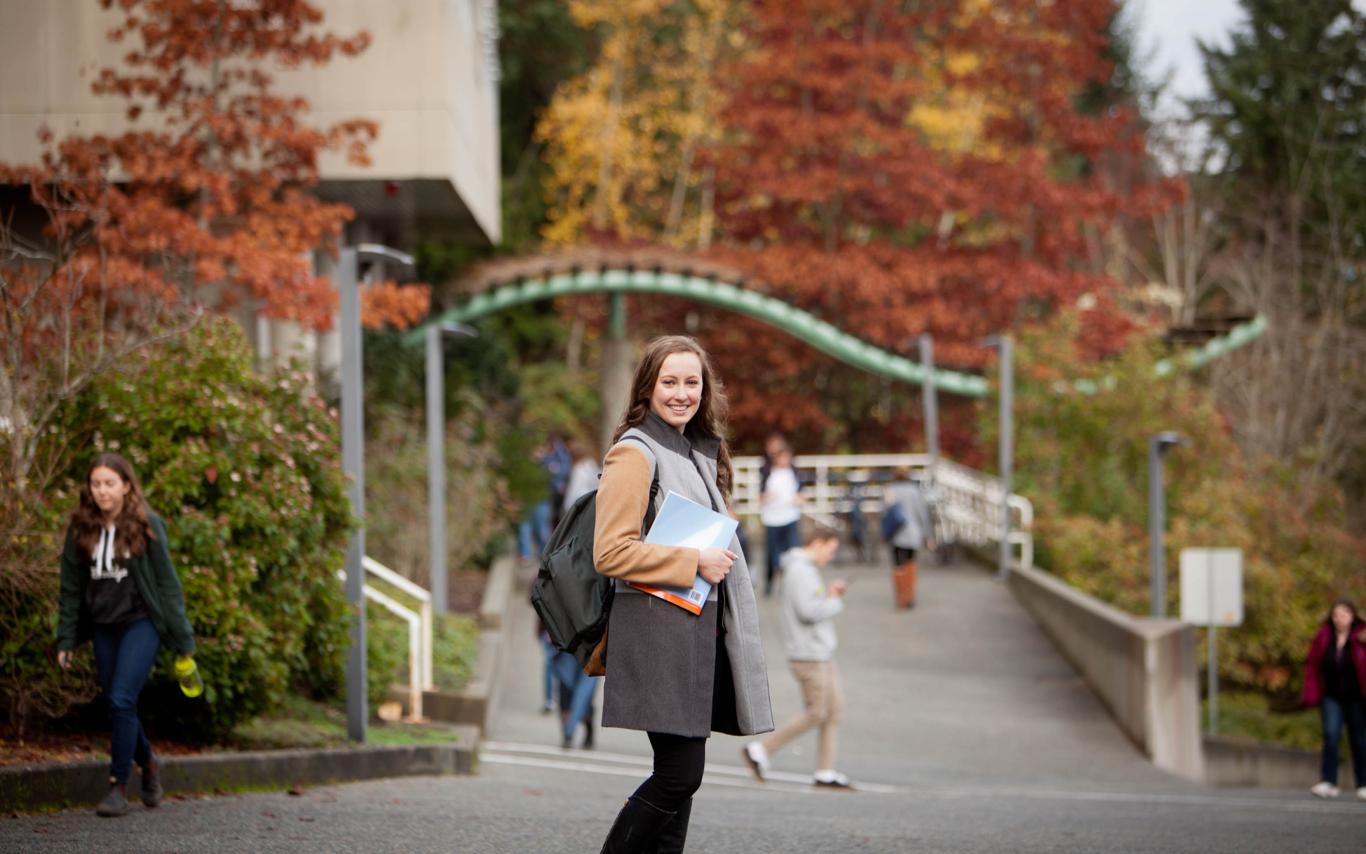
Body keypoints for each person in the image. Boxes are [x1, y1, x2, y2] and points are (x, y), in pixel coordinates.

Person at [592, 335, 773, 853]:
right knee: (679, 776)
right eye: (668, 382)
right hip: (660, 634)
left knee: (680, 788)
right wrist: (694, 559)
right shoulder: (635, 453)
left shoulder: (693, 452)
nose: (681, 393)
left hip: (693, 632)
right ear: (647, 388)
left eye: (691, 382)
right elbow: (610, 553)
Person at [55, 453, 196, 818]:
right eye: (96, 484)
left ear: (126, 486)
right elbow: (70, 588)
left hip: (141, 623)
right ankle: (148, 764)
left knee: (120, 699)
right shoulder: (81, 529)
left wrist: (183, 641)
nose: (102, 491)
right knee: (119, 705)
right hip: (104, 625)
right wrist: (66, 639)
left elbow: (167, 585)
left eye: (109, 484)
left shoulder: (147, 525)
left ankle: (118, 785)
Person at [742, 522, 852, 789]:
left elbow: (811, 605)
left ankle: (825, 771)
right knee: (817, 712)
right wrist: (835, 601)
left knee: (833, 711)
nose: (831, 556)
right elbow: (809, 612)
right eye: (831, 549)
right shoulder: (800, 570)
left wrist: (829, 596)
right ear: (817, 543)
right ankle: (760, 751)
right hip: (809, 654)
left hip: (819, 652)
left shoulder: (804, 569)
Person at [1302, 598, 1366, 800]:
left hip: (1357, 696)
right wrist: (1311, 692)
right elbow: (1312, 666)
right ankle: (1328, 781)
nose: (1340, 619)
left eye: (1344, 614)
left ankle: (1363, 783)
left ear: (1353, 616)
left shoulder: (1361, 637)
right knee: (1331, 735)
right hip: (1332, 696)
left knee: (1359, 740)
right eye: (1336, 615)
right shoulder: (1324, 637)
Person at [884, 470, 936, 608]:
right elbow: (922, 514)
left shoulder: (890, 490)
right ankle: (909, 595)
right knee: (910, 563)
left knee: (897, 565)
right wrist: (928, 534)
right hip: (913, 533)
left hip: (895, 533)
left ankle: (900, 597)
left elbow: (884, 512)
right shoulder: (914, 491)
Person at [759, 443, 802, 597]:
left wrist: (798, 499)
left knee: (792, 551)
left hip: (790, 517)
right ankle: (770, 582)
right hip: (772, 519)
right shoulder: (768, 473)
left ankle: (790, 583)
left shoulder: (794, 473)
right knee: (772, 553)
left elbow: (800, 493)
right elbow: (761, 496)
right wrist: (768, 497)